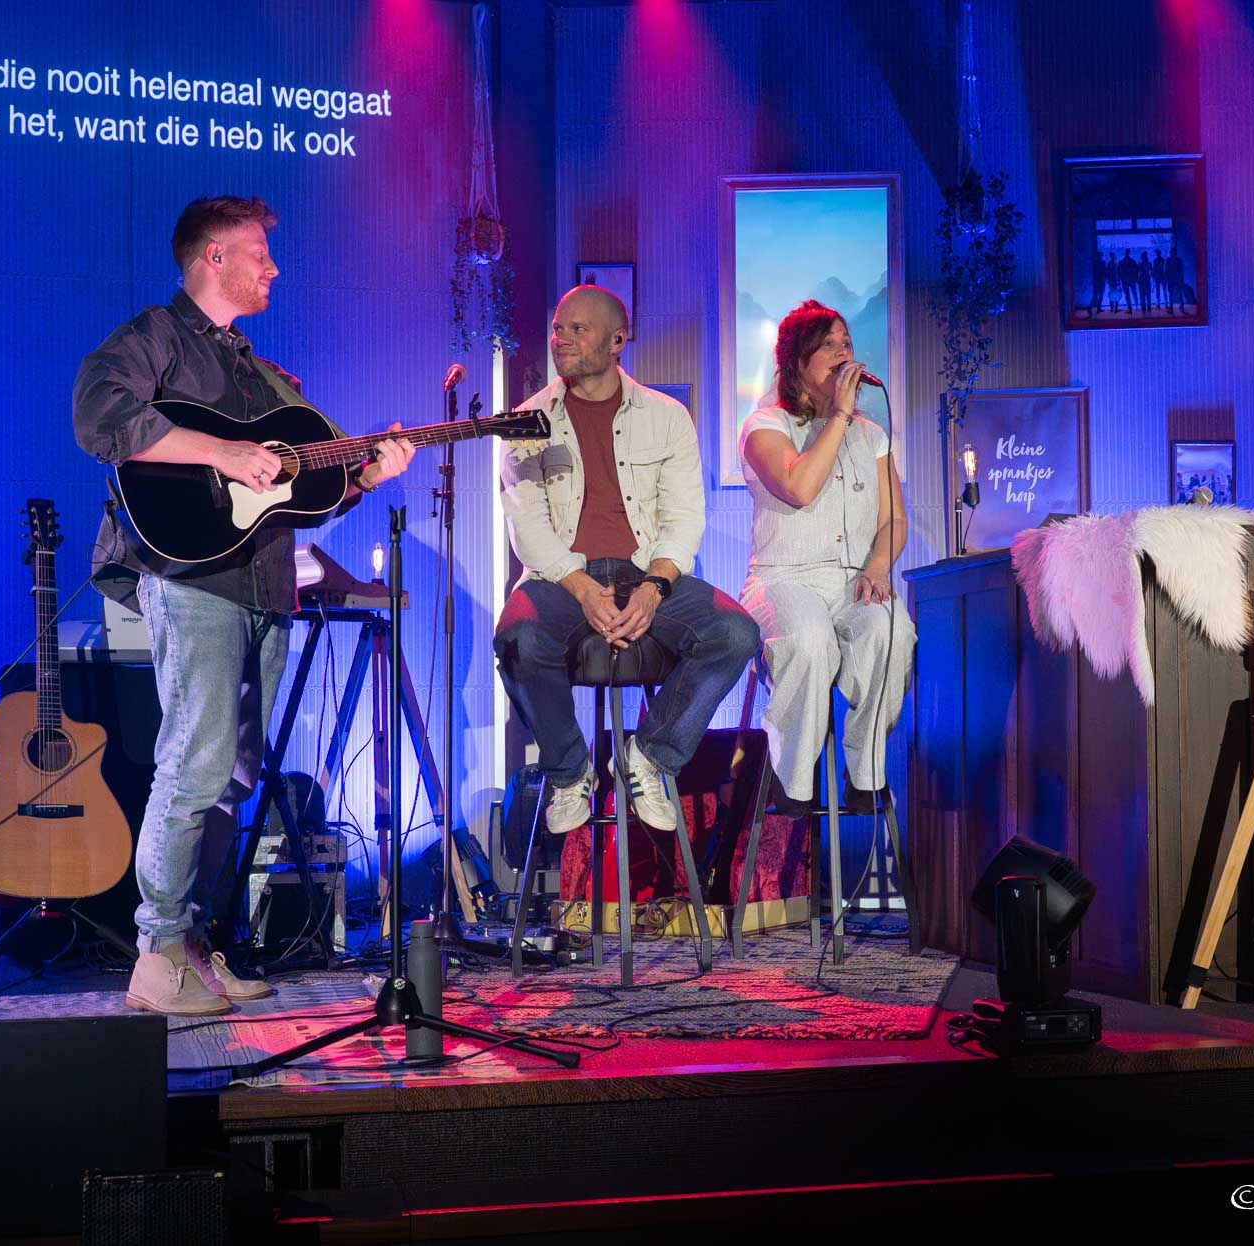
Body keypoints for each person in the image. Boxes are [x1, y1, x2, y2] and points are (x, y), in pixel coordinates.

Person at [74, 196, 417, 1015]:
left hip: (263, 583)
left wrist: (367, 474)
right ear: (212, 258)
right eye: (258, 252)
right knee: (193, 763)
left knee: (235, 774)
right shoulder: (156, 336)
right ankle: (156, 953)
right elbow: (100, 414)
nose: (274, 267)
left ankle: (192, 941)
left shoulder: (259, 372)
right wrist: (221, 449)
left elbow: (289, 496)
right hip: (190, 581)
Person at [494, 286, 759, 835]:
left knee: (735, 632)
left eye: (577, 329)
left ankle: (651, 757)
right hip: (560, 579)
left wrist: (654, 587)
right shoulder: (525, 420)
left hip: (646, 573)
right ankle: (570, 771)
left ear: (618, 340)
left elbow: (685, 517)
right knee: (518, 637)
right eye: (557, 328)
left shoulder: (666, 416)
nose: (560, 338)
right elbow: (529, 527)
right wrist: (582, 588)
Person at [737, 300, 915, 816]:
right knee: (810, 641)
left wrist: (879, 565)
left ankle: (865, 773)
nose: (844, 353)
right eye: (829, 346)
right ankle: (790, 775)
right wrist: (838, 413)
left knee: (892, 632)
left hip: (853, 580)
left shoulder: (871, 435)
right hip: (783, 580)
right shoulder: (764, 426)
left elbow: (894, 520)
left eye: (847, 343)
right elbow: (798, 487)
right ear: (797, 363)